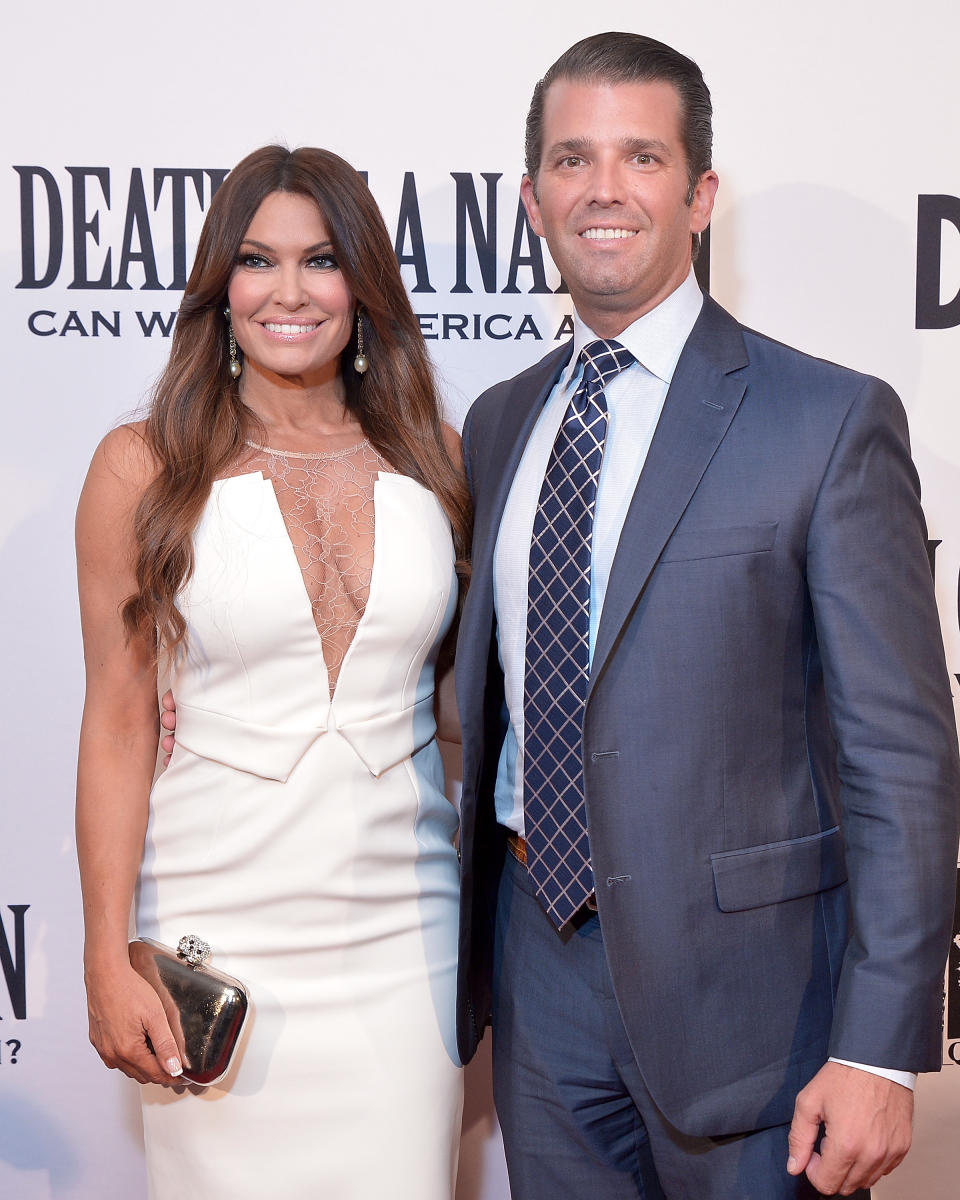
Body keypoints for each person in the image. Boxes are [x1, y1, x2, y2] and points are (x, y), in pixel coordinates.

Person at [453, 32, 960, 1200]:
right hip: (541, 969)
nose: (604, 189)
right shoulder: (497, 423)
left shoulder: (826, 419)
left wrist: (880, 1041)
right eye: (573, 160)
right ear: (533, 199)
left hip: (758, 1005)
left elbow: (901, 757)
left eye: (642, 157)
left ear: (700, 195)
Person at [75, 145, 470, 1200]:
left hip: (407, 946)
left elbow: (460, 706)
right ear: (221, 287)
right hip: (222, 950)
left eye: (322, 261)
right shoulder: (143, 466)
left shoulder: (433, 457)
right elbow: (116, 723)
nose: (289, 293)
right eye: (257, 261)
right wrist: (106, 957)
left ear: (364, 288)